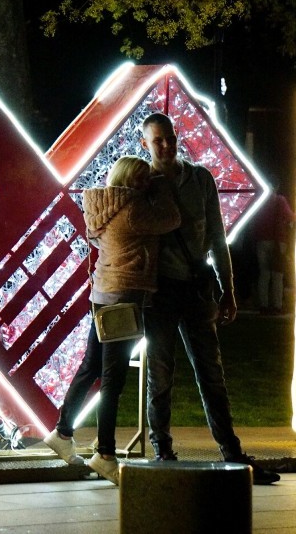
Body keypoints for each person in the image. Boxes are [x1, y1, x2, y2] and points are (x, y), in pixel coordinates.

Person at [139, 112, 281, 485]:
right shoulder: (143, 183)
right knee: (160, 375)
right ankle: (163, 451)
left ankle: (232, 453)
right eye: (158, 141)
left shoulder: (201, 179)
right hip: (160, 292)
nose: (167, 146)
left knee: (212, 375)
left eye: (170, 138)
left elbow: (218, 238)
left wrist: (228, 289)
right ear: (146, 145)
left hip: (197, 288)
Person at [44, 156, 181, 485]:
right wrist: (162, 186)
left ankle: (62, 434)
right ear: (127, 181)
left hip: (103, 295)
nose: (144, 184)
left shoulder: (103, 206)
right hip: (125, 297)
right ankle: (105, 454)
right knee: (112, 380)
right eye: (140, 180)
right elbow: (172, 218)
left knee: (91, 366)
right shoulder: (134, 211)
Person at [252, 185, 295, 315]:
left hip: (261, 240)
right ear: (276, 187)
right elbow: (290, 217)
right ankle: (277, 306)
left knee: (264, 275)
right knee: (277, 275)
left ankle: (263, 305)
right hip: (278, 241)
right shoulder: (280, 200)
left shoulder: (258, 200)